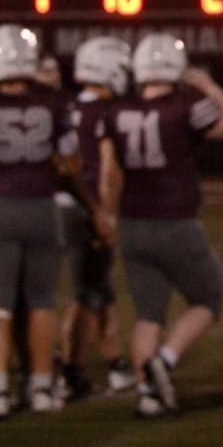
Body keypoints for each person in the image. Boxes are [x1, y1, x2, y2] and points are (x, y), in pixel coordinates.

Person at [98, 34, 223, 416]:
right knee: (209, 296)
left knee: (148, 312)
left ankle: (148, 395)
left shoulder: (116, 112)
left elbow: (109, 175)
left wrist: (109, 215)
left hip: (133, 224)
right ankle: (162, 364)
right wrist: (207, 85)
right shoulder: (184, 108)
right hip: (174, 222)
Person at [0, 25, 90, 417]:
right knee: (42, 302)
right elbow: (72, 162)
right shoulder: (54, 102)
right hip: (42, 207)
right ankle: (42, 387)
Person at [61, 37, 134, 397]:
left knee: (98, 291)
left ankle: (115, 363)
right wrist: (107, 214)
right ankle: (69, 368)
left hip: (59, 206)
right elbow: (108, 171)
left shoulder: (67, 107)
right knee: (86, 292)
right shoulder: (106, 113)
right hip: (87, 208)